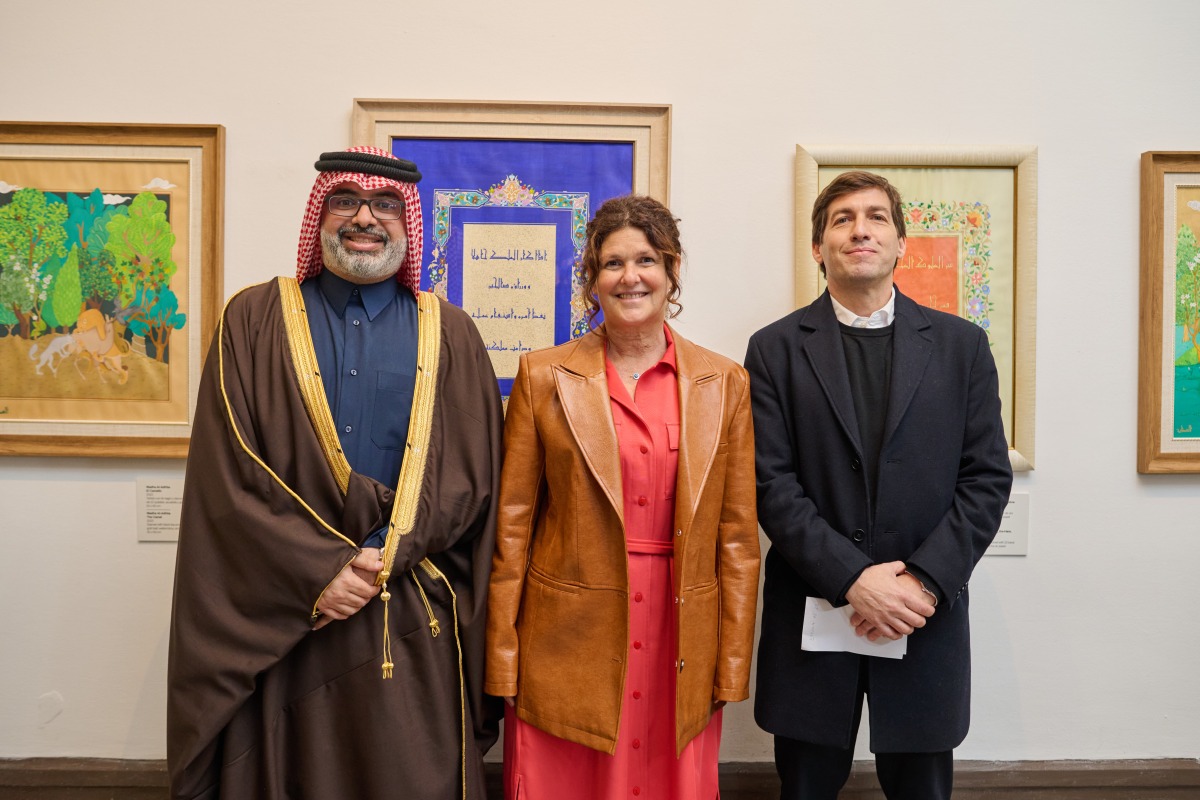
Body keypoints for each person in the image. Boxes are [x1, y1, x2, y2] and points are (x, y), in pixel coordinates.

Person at [167, 147, 503, 800]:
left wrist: (382, 556)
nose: (364, 219)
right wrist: (318, 572)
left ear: (407, 221)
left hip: (407, 611)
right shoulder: (254, 320)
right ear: (319, 212)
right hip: (286, 615)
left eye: (382, 204)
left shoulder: (452, 333)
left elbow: (471, 476)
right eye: (345, 200)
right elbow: (227, 475)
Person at [745, 170, 1013, 799]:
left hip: (923, 616)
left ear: (900, 243)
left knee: (922, 788)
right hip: (815, 610)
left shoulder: (962, 347)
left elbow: (985, 480)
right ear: (819, 247)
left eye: (875, 218)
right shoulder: (774, 350)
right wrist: (854, 579)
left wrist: (916, 583)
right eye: (841, 219)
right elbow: (769, 482)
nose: (859, 229)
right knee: (806, 787)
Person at [486, 195, 760, 799]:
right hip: (566, 635)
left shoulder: (726, 383)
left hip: (682, 632)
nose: (630, 277)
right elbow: (512, 529)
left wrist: (732, 663)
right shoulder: (542, 376)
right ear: (591, 280)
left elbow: (739, 541)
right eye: (611, 264)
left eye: (646, 261)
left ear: (672, 271)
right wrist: (503, 654)